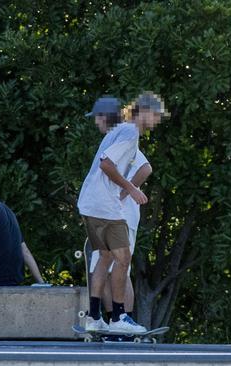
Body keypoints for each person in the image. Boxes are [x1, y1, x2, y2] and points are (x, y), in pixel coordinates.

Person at [77, 93, 166, 333]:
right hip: (105, 205)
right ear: (144, 112)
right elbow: (107, 165)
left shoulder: (115, 134)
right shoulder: (130, 132)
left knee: (105, 257)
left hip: (90, 203)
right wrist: (129, 190)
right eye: (156, 116)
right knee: (122, 259)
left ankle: (94, 318)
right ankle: (118, 319)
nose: (156, 122)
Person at [88, 101, 152, 323]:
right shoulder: (117, 139)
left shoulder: (126, 138)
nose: (96, 123)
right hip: (111, 214)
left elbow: (146, 168)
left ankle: (123, 320)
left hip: (121, 215)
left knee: (117, 268)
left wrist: (125, 193)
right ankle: (115, 321)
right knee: (108, 268)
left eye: (97, 117)